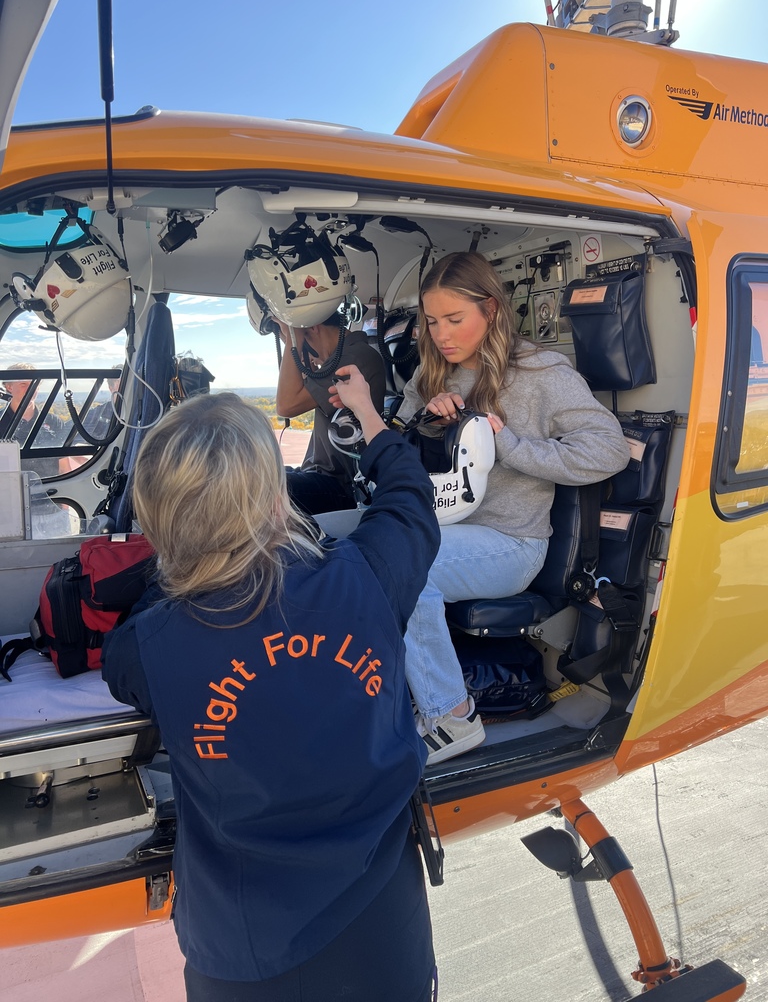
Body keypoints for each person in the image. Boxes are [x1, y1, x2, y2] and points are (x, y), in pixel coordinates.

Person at [101, 369, 440, 1002]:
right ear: (275, 496)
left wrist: (174, 571)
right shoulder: (370, 575)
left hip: (244, 948)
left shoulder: (144, 649)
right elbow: (410, 498)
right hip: (382, 929)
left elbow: (129, 653)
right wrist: (370, 418)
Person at [396, 251, 632, 765]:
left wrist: (510, 446)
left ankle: (451, 717)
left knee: (403, 565)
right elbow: (403, 447)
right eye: (432, 321)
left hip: (510, 543)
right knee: (353, 551)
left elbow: (607, 451)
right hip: (443, 524)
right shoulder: (434, 373)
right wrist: (429, 422)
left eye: (455, 320)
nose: (441, 334)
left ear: (493, 311)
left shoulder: (541, 372)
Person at [275, 313, 386, 514]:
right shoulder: (342, 358)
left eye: (305, 338)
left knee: (259, 488)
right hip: (320, 476)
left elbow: (286, 405)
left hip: (341, 486)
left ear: (314, 326)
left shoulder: (353, 358)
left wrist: (294, 338)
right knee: (258, 475)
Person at [0, 362, 68, 477]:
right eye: (23, 384)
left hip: (52, 488)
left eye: (34, 384)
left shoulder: (54, 422)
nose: (30, 389)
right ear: (9, 387)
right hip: (9, 491)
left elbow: (64, 466)